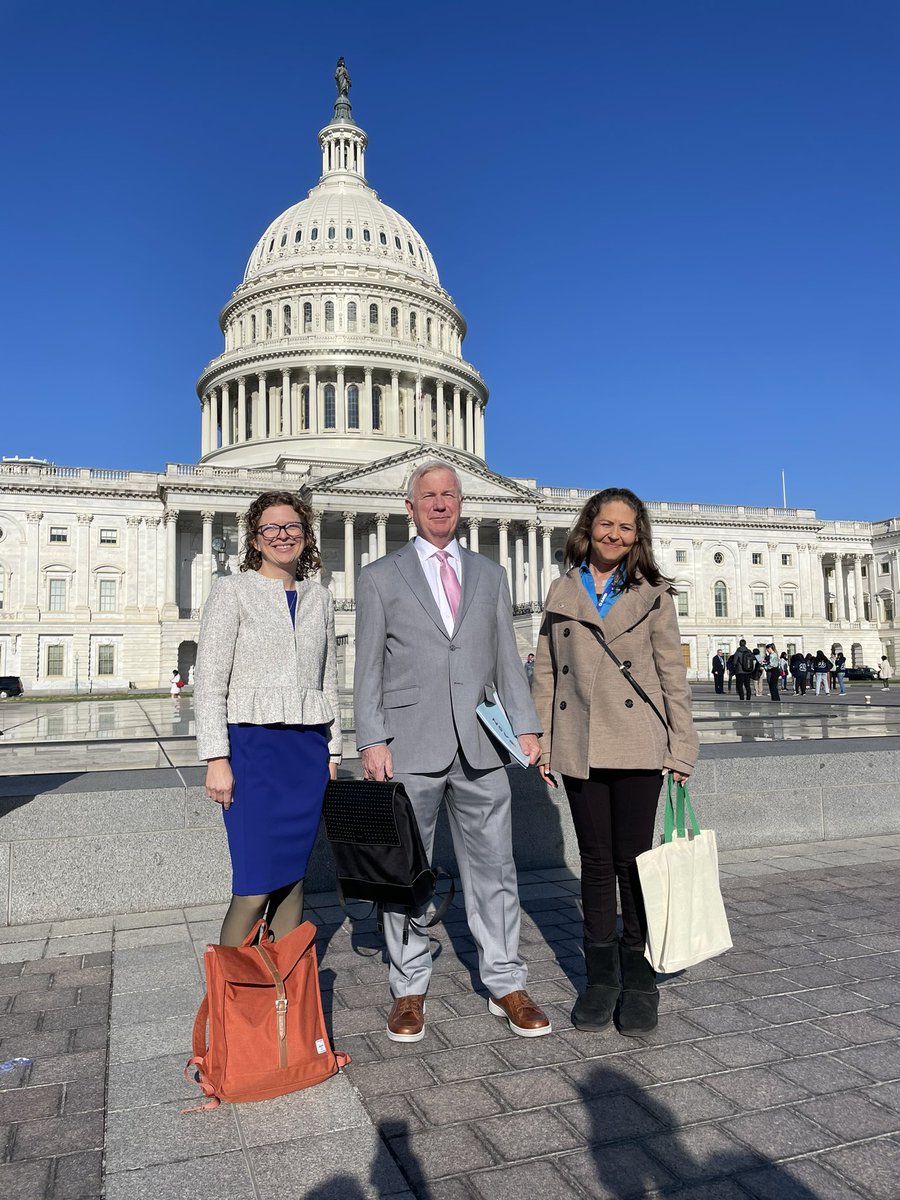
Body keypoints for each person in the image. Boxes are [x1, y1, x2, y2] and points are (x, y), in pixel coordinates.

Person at [354, 460, 551, 1043]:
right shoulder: (379, 576)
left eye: (449, 495)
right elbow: (367, 668)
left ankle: (505, 980)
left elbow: (507, 660)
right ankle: (409, 987)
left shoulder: (489, 573)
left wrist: (527, 727)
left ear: (462, 503)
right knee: (405, 873)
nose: (440, 504)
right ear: (409, 506)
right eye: (428, 496)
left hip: (482, 743)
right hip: (408, 743)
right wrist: (371, 738)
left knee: (495, 867)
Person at [533, 488, 698, 1036]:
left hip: (636, 742)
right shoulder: (562, 590)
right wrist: (547, 743)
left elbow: (671, 673)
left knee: (634, 864)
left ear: (637, 537)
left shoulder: (653, 593)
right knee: (596, 864)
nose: (615, 535)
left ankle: (640, 977)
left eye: (627, 528)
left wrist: (682, 745)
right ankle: (600, 980)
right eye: (607, 524)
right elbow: (547, 675)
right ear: (589, 527)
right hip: (580, 742)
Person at [195, 491, 341, 947]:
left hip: (307, 752)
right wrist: (216, 757)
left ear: (306, 535)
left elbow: (328, 679)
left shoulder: (321, 597)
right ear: (255, 539)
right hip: (253, 750)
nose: (283, 536)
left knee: (293, 883)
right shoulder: (231, 591)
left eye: (292, 527)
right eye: (271, 529)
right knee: (253, 889)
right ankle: (233, 1002)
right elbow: (210, 681)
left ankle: (283, 1003)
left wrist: (334, 750)